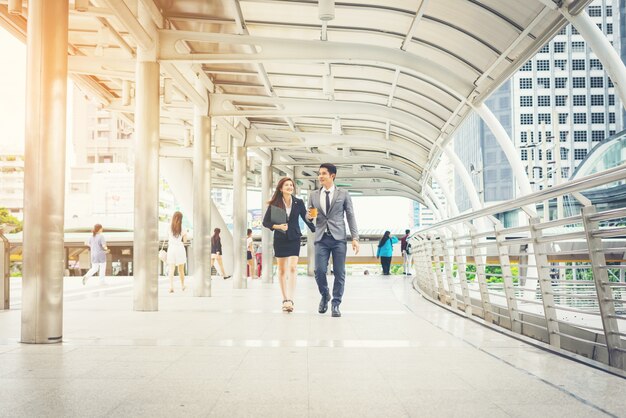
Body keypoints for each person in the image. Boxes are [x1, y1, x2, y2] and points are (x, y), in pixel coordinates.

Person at [308, 163, 359, 318]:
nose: (320, 176)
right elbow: (308, 215)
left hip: (338, 238)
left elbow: (350, 216)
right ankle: (325, 295)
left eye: (323, 173)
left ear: (332, 176)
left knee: (339, 272)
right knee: (319, 271)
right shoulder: (314, 195)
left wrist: (355, 238)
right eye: (319, 173)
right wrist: (309, 217)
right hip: (321, 238)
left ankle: (336, 303)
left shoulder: (343, 194)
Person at [263, 177, 315, 312]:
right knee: (281, 270)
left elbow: (305, 218)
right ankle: (285, 298)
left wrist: (311, 219)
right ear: (281, 188)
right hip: (280, 239)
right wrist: (278, 226)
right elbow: (266, 222)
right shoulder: (275, 203)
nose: (290, 187)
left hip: (294, 238)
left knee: (292, 268)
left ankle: (291, 299)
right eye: (287, 185)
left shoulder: (298, 202)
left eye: (291, 185)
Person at [167, 211, 188, 293]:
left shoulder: (169, 226)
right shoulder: (182, 227)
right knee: (181, 269)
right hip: (179, 248)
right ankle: (182, 285)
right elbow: (185, 241)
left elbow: (168, 236)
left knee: (171, 269)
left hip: (171, 248)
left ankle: (171, 287)